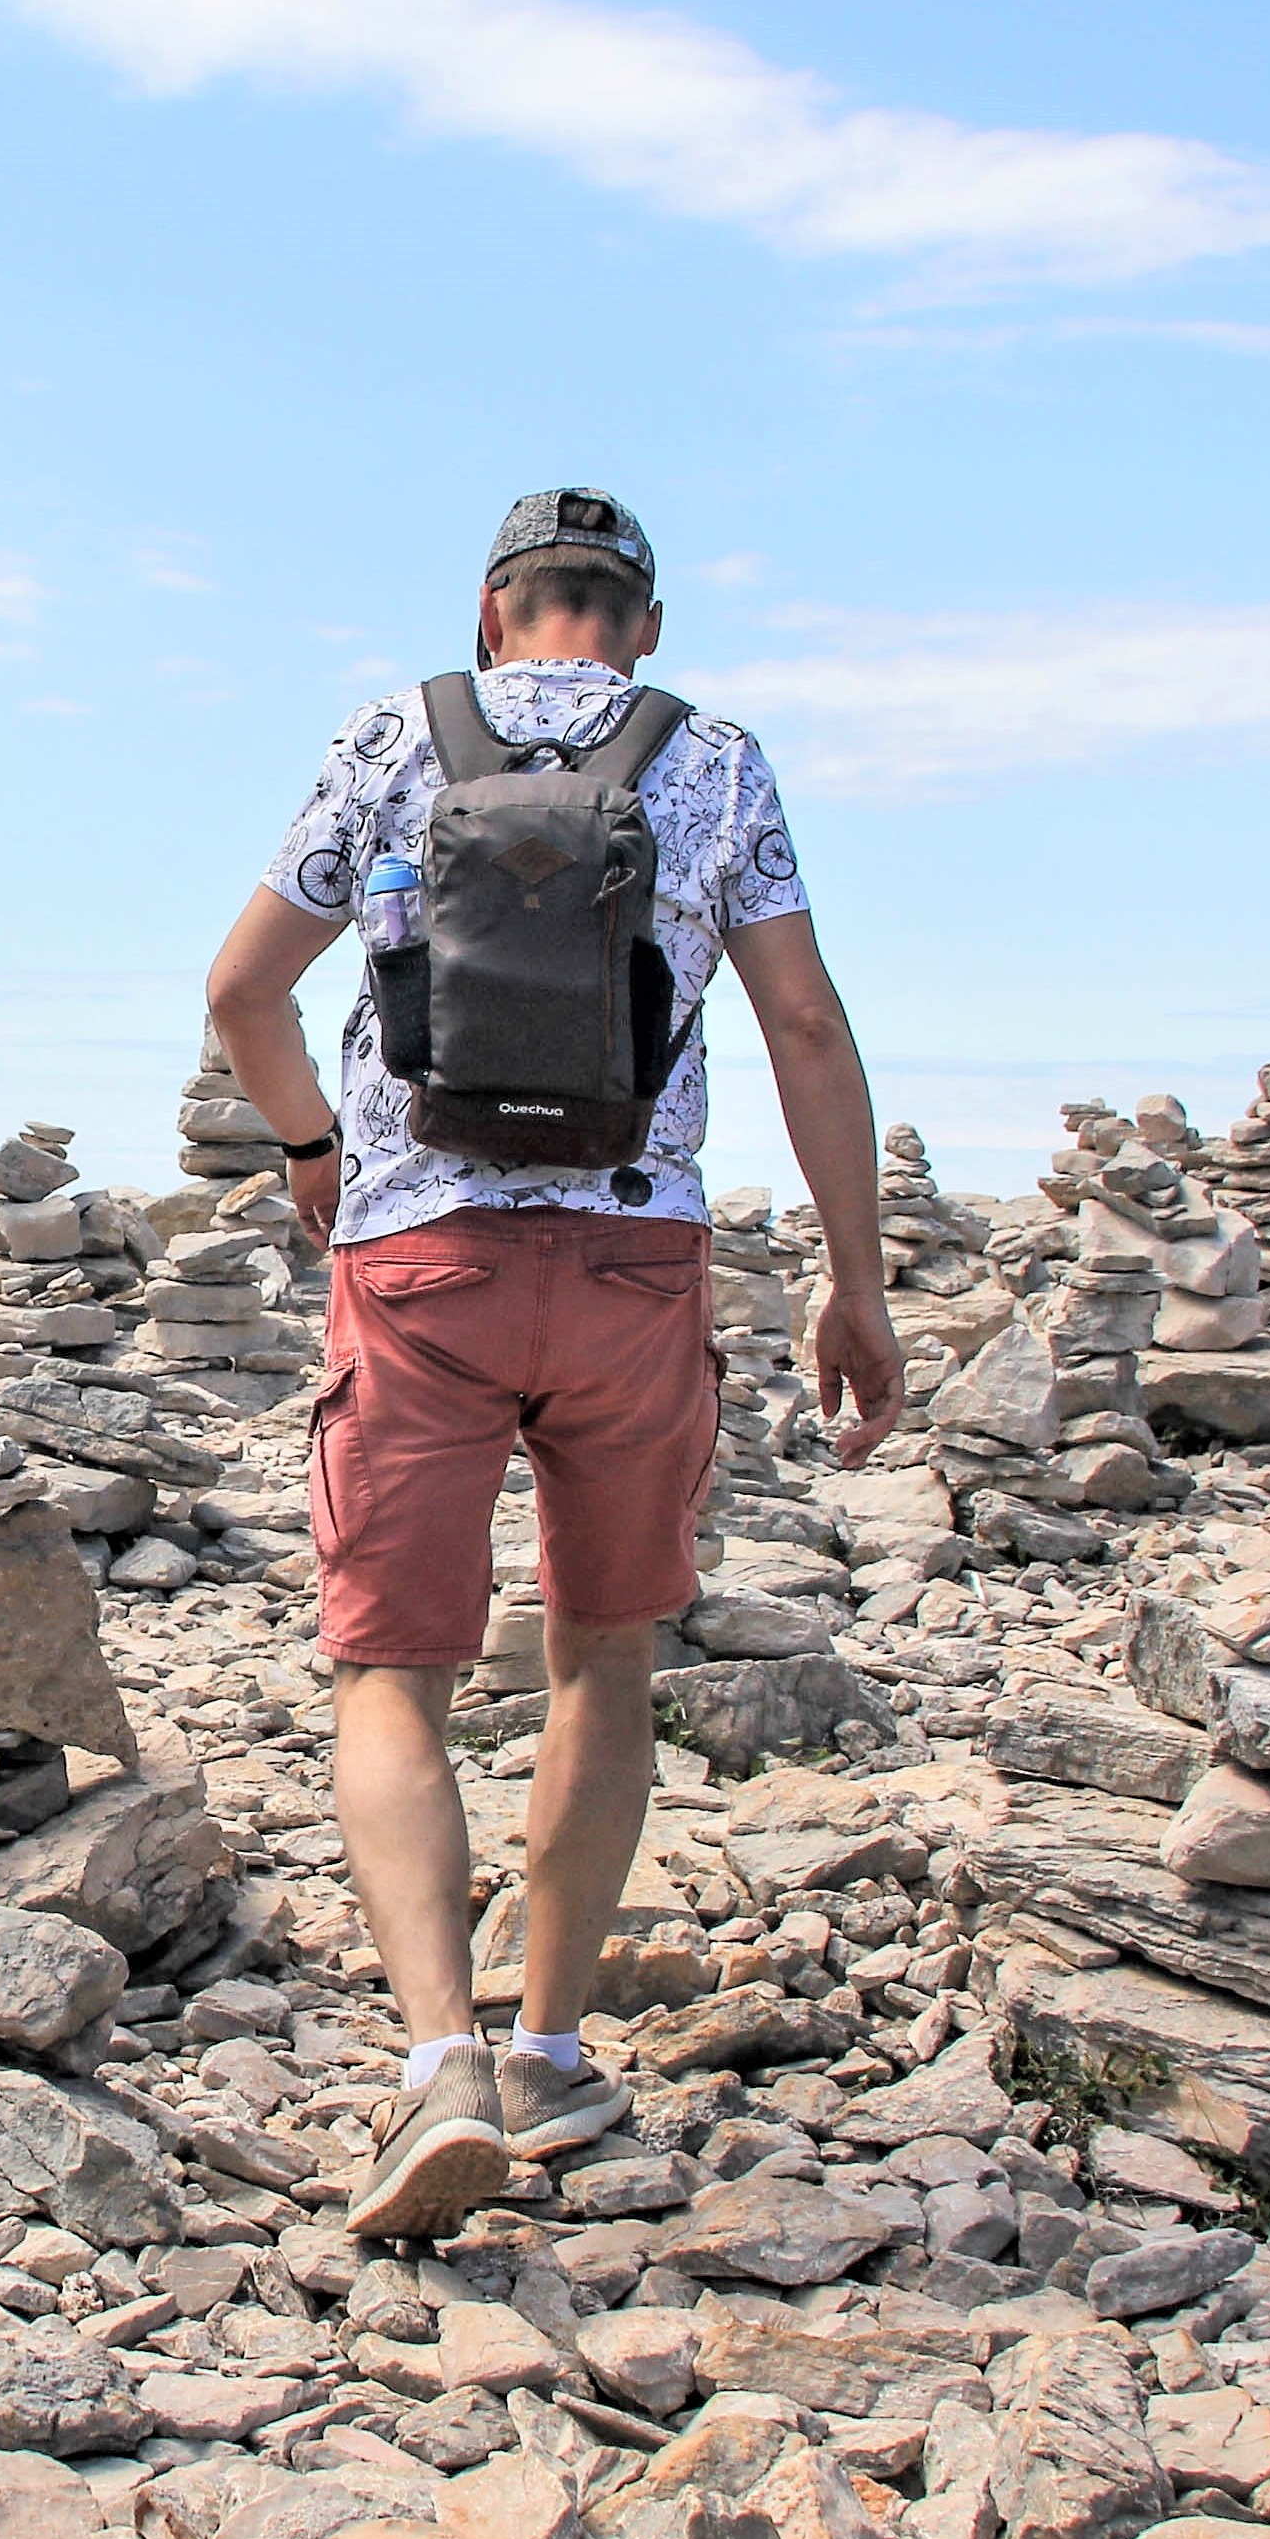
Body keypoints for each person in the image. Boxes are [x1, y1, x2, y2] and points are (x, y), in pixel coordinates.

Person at [201, 485, 903, 2236]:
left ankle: (437, 2067)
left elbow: (239, 995)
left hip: (417, 1256)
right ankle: (559, 2052)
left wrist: (312, 1154)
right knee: (601, 1659)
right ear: (638, 626)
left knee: (392, 1671)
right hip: (630, 1257)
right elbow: (806, 1020)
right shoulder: (718, 759)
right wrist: (856, 1278)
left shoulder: (388, 737)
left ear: (497, 607)